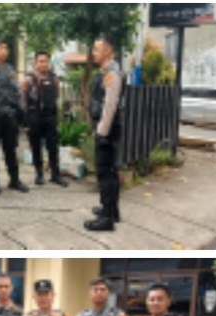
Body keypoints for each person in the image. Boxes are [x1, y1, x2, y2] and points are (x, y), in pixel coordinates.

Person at [85, 34, 125, 233]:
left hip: (107, 130)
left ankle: (107, 219)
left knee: (105, 173)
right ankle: (112, 210)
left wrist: (102, 132)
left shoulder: (112, 74)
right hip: (107, 129)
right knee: (110, 171)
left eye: (97, 49)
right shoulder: (105, 71)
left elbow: (110, 106)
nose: (94, 52)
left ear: (108, 50)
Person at [0, 40, 29, 195]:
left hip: (10, 115)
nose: (4, 51)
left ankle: (14, 180)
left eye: (6, 48)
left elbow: (15, 91)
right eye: (0, 48)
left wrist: (19, 110)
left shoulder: (10, 69)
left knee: (10, 148)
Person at [22, 52, 68, 188]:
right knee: (36, 146)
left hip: (50, 116)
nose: (43, 64)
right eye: (40, 61)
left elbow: (57, 97)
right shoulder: (29, 79)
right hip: (35, 115)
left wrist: (57, 115)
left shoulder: (54, 79)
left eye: (46, 61)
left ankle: (55, 175)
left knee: (53, 146)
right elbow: (23, 99)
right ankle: (39, 174)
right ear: (36, 63)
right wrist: (25, 118)